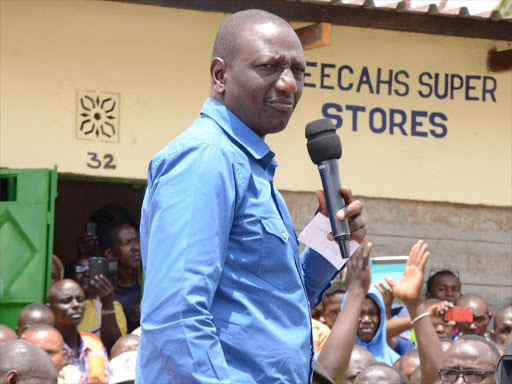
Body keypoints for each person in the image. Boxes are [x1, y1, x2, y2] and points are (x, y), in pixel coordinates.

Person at [137, 9, 366, 384]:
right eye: (270, 67)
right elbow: (177, 316)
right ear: (220, 75)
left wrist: (331, 237)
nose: (290, 84)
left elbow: (279, 303)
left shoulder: (251, 166)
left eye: (298, 70)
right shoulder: (206, 158)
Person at [47, 279, 109, 383]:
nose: (76, 305)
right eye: (67, 300)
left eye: (80, 299)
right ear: (49, 308)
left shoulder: (94, 343)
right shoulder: (46, 347)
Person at [71, 256, 127, 351]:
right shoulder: (63, 307)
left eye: (91, 269)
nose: (86, 273)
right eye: (79, 269)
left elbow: (115, 346)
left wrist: (107, 305)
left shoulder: (114, 306)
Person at [98, 221, 141, 333]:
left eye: (138, 241)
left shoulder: (149, 282)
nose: (136, 247)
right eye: (127, 243)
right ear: (110, 253)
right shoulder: (105, 290)